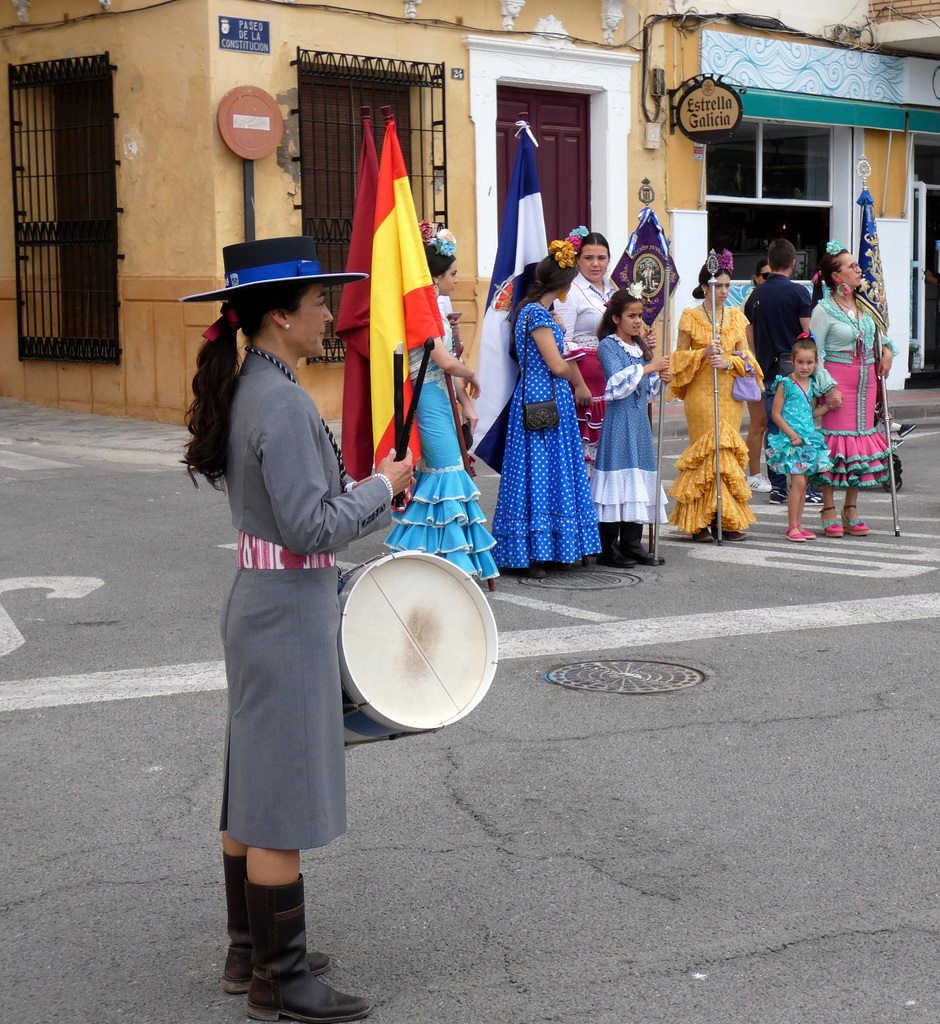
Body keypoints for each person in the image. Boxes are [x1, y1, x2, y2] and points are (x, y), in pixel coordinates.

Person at [181, 236, 414, 1024]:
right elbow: (313, 528)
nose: (330, 315)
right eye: (318, 302)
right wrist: (381, 486)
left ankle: (249, 949)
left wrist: (374, 493)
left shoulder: (258, 382)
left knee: (252, 780)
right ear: (279, 314)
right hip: (284, 608)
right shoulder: (278, 399)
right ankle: (278, 981)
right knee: (277, 794)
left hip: (265, 601)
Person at [385, 228, 499, 582]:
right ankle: (438, 558)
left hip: (441, 394)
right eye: (452, 273)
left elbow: (447, 366)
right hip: (428, 399)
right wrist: (473, 375)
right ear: (434, 276)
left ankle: (431, 554)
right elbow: (447, 364)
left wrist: (465, 400)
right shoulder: (422, 308)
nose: (457, 279)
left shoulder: (436, 305)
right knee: (446, 471)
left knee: (446, 472)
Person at [490, 239, 601, 578]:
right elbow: (555, 364)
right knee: (541, 471)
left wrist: (561, 332)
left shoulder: (537, 311)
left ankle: (545, 547)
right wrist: (578, 374)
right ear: (565, 283)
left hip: (544, 396)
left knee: (546, 470)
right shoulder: (537, 314)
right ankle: (536, 551)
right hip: (544, 395)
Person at [668, 251, 761, 542]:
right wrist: (702, 354)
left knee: (727, 454)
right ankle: (700, 522)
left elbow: (750, 359)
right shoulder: (690, 317)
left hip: (730, 395)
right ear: (705, 287)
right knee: (708, 452)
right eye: (718, 286)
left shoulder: (736, 317)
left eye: (727, 286)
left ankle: (728, 519)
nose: (723, 291)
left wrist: (730, 362)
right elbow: (678, 359)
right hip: (700, 395)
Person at [810, 241, 898, 536]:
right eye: (852, 266)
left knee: (860, 443)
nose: (859, 270)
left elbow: (882, 339)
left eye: (857, 265)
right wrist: (828, 387)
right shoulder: (823, 310)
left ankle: (851, 508)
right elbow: (815, 352)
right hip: (838, 381)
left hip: (867, 382)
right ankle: (828, 507)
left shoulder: (865, 306)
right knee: (835, 445)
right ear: (837, 277)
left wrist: (887, 352)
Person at [747, 238, 836, 506]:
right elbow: (809, 334)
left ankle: (777, 488)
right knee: (802, 425)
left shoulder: (755, 295)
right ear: (793, 264)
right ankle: (806, 487)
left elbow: (749, 335)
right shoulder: (798, 293)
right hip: (796, 371)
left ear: (770, 263)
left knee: (775, 430)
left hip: (768, 370)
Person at [590, 286, 672, 567]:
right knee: (618, 474)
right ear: (616, 318)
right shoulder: (608, 345)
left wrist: (660, 377)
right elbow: (616, 384)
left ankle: (632, 543)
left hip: (637, 420)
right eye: (631, 316)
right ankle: (608, 546)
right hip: (618, 420)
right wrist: (650, 368)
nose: (637, 321)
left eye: (640, 316)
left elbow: (644, 389)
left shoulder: (639, 348)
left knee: (637, 476)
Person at [554, 227, 614, 474]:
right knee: (583, 446)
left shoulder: (614, 290)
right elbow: (564, 341)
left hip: (610, 380)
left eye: (601, 258)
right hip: (582, 384)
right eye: (588, 258)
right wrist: (579, 384)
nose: (595, 264)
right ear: (578, 260)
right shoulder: (570, 293)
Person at [767, 336, 834, 541]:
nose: (805, 367)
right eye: (800, 362)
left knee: (804, 485)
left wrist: (828, 407)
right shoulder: (785, 384)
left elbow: (810, 413)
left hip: (807, 440)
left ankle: (798, 525)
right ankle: (791, 527)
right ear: (793, 361)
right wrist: (792, 435)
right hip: (791, 442)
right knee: (797, 483)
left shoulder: (812, 385)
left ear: (815, 363)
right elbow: (776, 414)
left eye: (809, 363)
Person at [741, 258, 772, 492]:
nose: (768, 280)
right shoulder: (751, 301)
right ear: (756, 278)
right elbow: (747, 339)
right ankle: (754, 473)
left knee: (775, 424)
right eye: (765, 276)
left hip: (775, 368)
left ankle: (775, 474)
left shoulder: (775, 298)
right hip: (756, 369)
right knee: (758, 423)